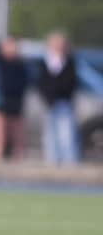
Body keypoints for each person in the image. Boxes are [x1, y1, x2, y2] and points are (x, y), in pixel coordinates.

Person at [0, 37, 29, 162]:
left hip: (15, 103)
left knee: (18, 138)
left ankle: (18, 163)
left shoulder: (20, 65)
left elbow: (24, 84)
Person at [38, 30, 80, 165]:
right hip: (48, 102)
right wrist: (48, 98)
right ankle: (51, 161)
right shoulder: (44, 62)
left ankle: (69, 161)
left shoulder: (69, 62)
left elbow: (70, 83)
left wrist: (61, 95)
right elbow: (42, 83)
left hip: (64, 102)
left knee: (66, 133)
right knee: (49, 134)